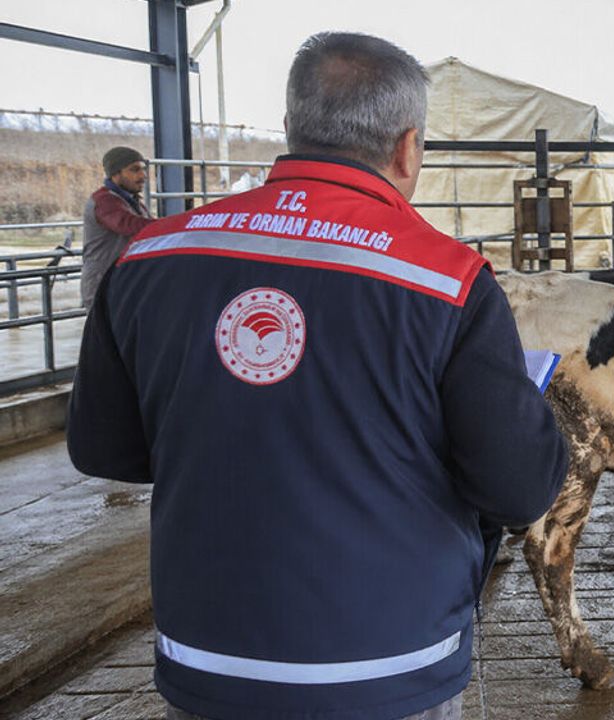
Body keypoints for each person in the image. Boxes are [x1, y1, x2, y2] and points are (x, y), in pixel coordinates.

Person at [66, 32, 567, 720]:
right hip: (390, 665)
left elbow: (102, 448)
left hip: (210, 659)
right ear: (408, 147)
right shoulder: (447, 281)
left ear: (290, 128)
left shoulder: (150, 257)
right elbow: (519, 488)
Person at [80, 146, 154, 306]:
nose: (143, 175)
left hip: (124, 281)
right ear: (115, 174)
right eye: (134, 170)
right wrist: (174, 224)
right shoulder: (104, 201)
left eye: (143, 169)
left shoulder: (133, 202)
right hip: (104, 284)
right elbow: (129, 225)